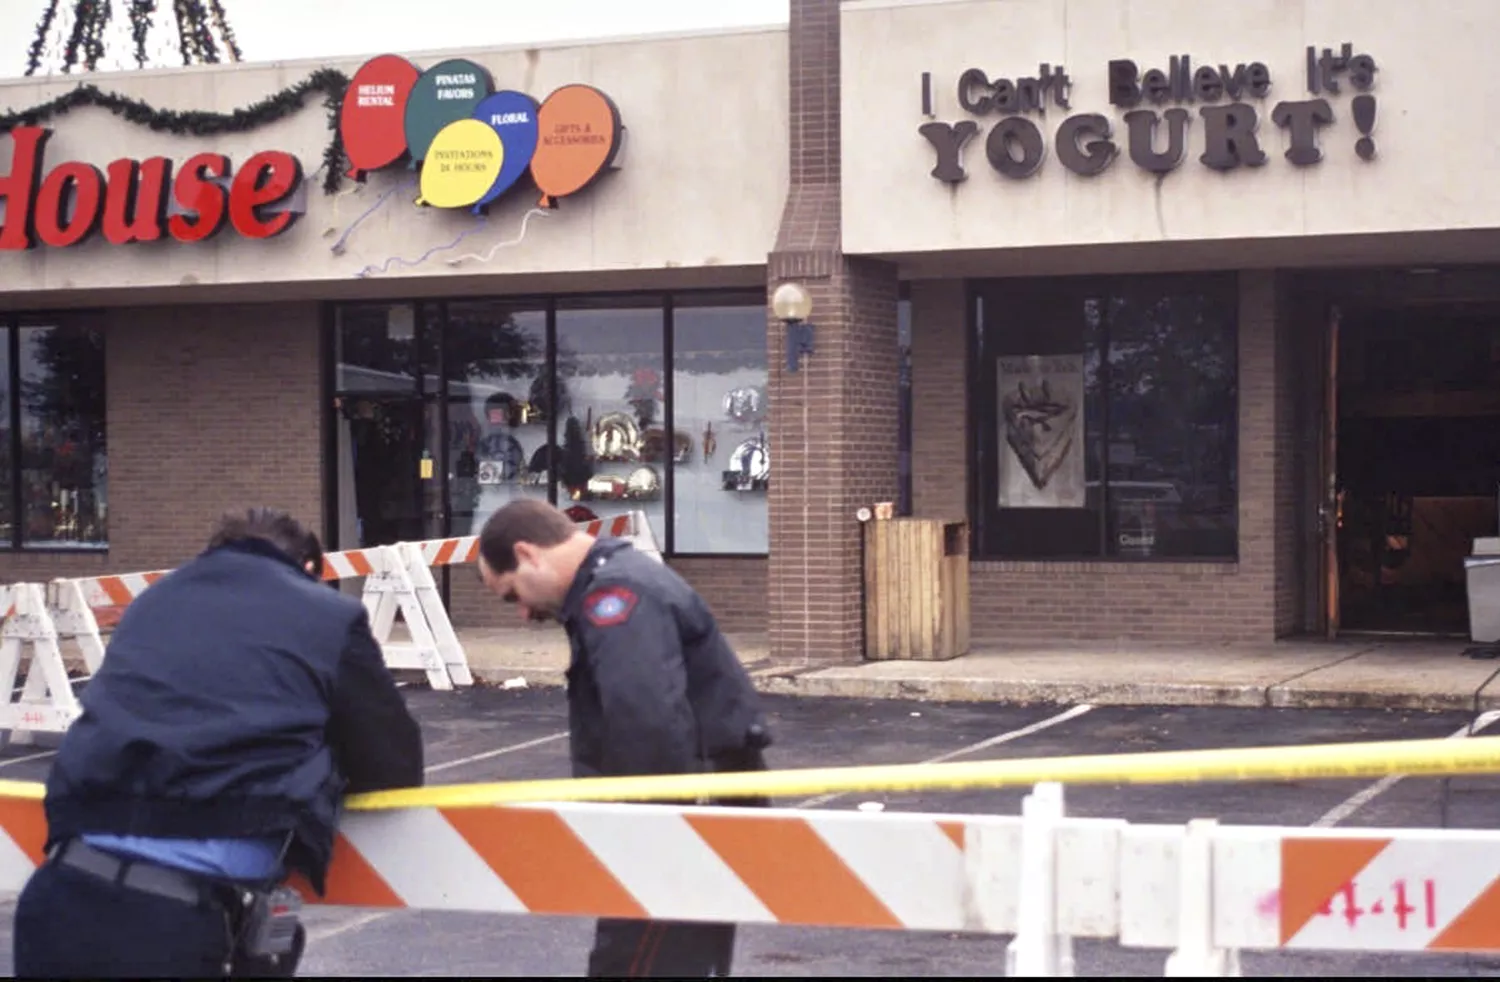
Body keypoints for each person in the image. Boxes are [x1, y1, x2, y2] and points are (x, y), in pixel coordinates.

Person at [12, 508, 424, 980]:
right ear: (309, 568)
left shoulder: (153, 602)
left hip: (56, 901)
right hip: (176, 928)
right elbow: (392, 763)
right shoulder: (328, 614)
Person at [476, 499, 773, 979]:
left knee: (634, 966)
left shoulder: (615, 596)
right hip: (699, 805)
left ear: (528, 554)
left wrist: (642, 842)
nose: (523, 614)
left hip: (673, 820)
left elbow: (647, 723)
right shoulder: (623, 577)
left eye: (512, 595)